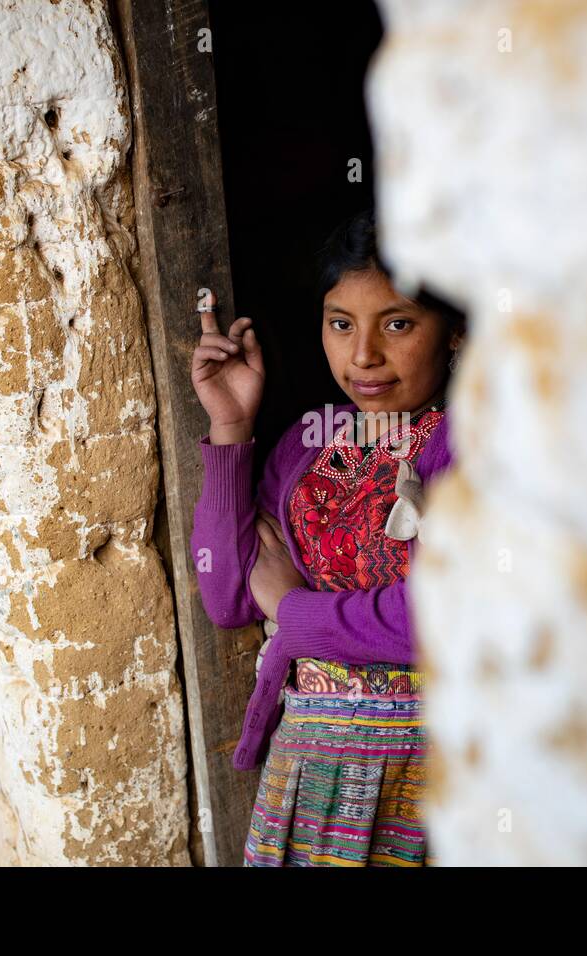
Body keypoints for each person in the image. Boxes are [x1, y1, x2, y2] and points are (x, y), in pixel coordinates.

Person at [188, 208, 465, 866]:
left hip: (428, 773)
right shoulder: (309, 448)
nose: (363, 354)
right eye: (341, 323)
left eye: (398, 323)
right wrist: (230, 429)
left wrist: (293, 611)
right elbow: (227, 594)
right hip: (308, 772)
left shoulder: (470, 445)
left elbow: (436, 623)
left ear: (452, 331)